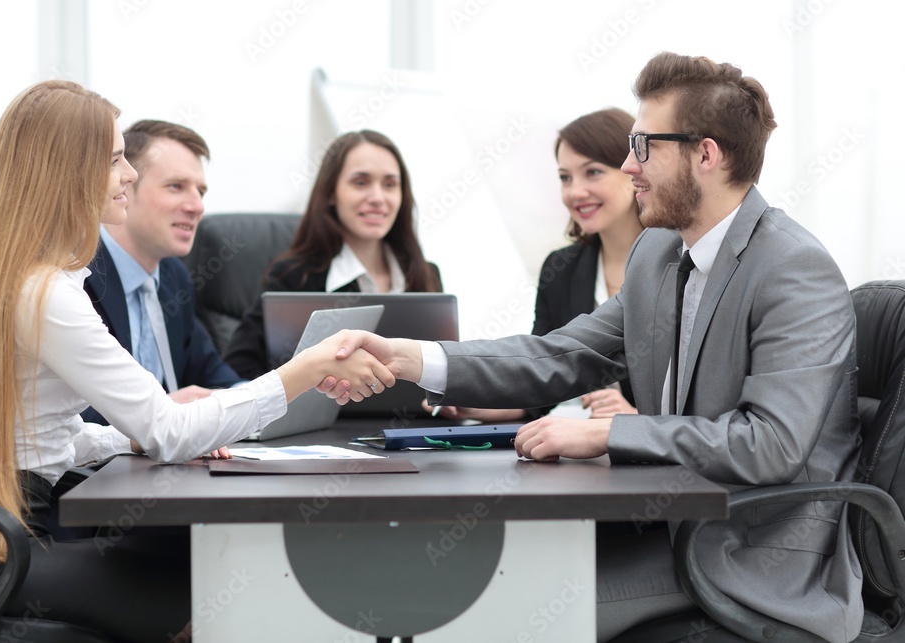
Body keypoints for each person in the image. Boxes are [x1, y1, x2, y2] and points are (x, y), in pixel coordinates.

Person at [325, 52, 862, 642]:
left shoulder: (794, 269)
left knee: (501, 610)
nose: (629, 164)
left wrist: (608, 432)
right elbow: (560, 356)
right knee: (464, 579)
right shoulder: (659, 257)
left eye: (643, 145)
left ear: (705, 154)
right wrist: (409, 358)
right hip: (668, 524)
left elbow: (772, 445)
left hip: (755, 553)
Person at [0, 80, 392, 642]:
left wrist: (124, 439)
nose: (129, 174)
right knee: (199, 576)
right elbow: (168, 430)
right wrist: (301, 371)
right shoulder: (48, 295)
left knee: (188, 550)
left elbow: (49, 437)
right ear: (68, 171)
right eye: (115, 159)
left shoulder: (19, 277)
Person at [432, 108, 641, 424]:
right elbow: (541, 378)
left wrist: (640, 419)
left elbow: (709, 404)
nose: (574, 192)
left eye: (593, 172)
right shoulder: (561, 268)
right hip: (584, 458)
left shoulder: (681, 262)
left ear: (633, 170)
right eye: (565, 178)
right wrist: (480, 405)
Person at [223, 129, 442, 379]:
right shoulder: (295, 277)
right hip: (326, 419)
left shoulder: (425, 275)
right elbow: (236, 369)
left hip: (421, 419)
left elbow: (441, 366)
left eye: (390, 184)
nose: (378, 198)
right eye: (360, 182)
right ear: (330, 194)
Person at [80, 120, 238, 455]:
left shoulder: (173, 278)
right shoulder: (76, 274)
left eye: (200, 191)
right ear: (125, 187)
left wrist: (270, 395)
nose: (197, 206)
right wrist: (160, 413)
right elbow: (68, 416)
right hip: (82, 485)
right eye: (176, 186)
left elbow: (213, 375)